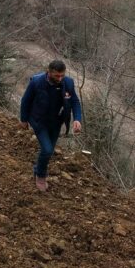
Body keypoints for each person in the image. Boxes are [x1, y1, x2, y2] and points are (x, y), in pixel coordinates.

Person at [20, 59, 82, 191]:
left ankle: (37, 169)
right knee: (47, 150)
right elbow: (26, 100)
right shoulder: (36, 82)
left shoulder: (68, 83)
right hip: (39, 121)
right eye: (57, 76)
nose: (60, 79)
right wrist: (24, 120)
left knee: (49, 151)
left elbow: (75, 101)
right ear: (49, 72)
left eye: (62, 75)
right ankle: (41, 176)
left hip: (56, 122)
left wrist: (77, 119)